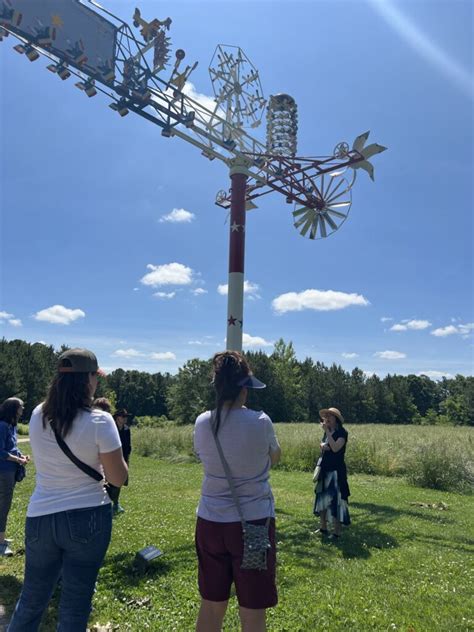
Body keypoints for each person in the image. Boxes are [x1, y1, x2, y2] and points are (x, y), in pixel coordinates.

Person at [8, 349, 128, 632]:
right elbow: (117, 478)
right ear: (88, 380)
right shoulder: (100, 421)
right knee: (75, 605)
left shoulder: (38, 415)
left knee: (31, 599)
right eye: (95, 378)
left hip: (40, 516)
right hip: (88, 516)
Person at [194, 351, 281, 632]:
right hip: (252, 525)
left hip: (210, 522)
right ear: (244, 388)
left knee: (211, 604)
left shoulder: (202, 422)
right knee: (252, 610)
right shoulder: (260, 421)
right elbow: (275, 456)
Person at [313, 407, 350, 539]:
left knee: (336, 502)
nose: (327, 418)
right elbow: (326, 445)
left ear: (337, 419)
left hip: (336, 472)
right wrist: (323, 445)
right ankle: (323, 528)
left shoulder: (342, 433)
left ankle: (337, 532)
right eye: (326, 416)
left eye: (330, 416)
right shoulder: (328, 432)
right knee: (322, 499)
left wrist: (327, 433)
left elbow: (335, 448)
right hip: (325, 469)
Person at [0, 397, 30, 556]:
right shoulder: (2, 426)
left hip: (10, 470)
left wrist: (22, 456)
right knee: (3, 506)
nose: (23, 409)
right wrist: (18, 459)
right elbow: (1, 452)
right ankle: (0, 543)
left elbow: (12, 448)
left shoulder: (12, 426)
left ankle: (1, 537)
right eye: (21, 406)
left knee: (5, 505)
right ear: (13, 409)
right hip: (3, 471)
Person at [108, 409, 131, 514]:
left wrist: (127, 460)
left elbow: (128, 446)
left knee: (119, 482)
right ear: (117, 418)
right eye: (123, 416)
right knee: (110, 482)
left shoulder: (127, 429)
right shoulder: (111, 428)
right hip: (112, 457)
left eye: (126, 416)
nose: (125, 418)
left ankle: (116, 504)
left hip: (123, 457)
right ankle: (109, 504)